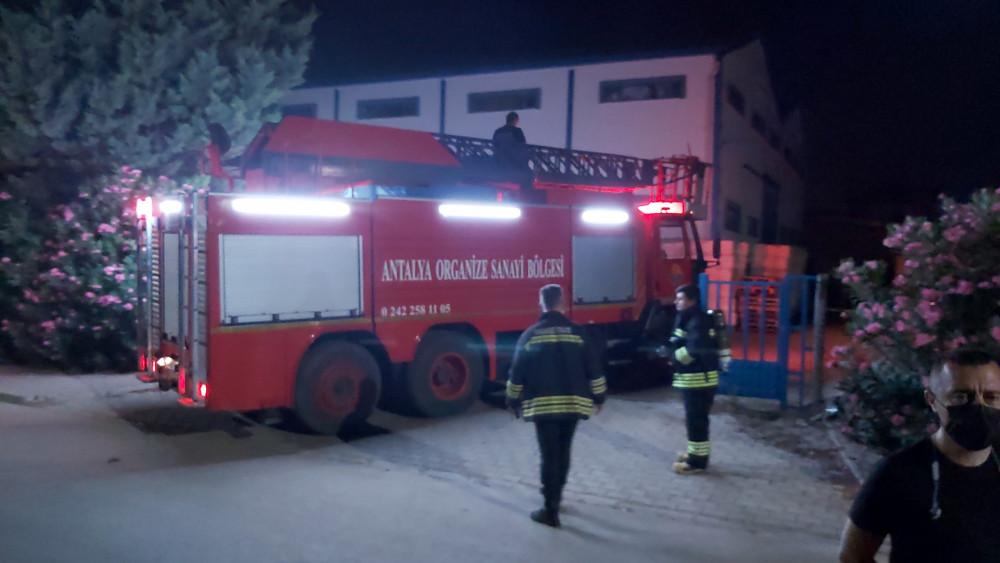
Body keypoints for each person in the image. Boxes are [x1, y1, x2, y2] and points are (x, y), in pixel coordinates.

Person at [839, 348, 1000, 562]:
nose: (979, 407)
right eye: (961, 396)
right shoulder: (897, 473)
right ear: (932, 400)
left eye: (991, 397)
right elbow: (853, 555)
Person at [507, 284, 607, 528]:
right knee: (563, 453)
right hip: (573, 405)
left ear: (541, 303)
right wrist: (599, 396)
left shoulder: (531, 334)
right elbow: (593, 367)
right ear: (562, 303)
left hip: (542, 408)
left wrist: (513, 400)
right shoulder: (578, 332)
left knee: (548, 456)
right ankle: (557, 496)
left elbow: (517, 371)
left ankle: (550, 510)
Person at [669, 284, 720, 475]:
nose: (676, 302)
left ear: (692, 300)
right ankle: (694, 453)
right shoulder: (690, 318)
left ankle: (697, 463)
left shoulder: (697, 321)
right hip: (695, 379)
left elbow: (692, 351)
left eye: (680, 299)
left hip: (699, 380)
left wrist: (672, 357)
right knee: (694, 420)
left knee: (696, 421)